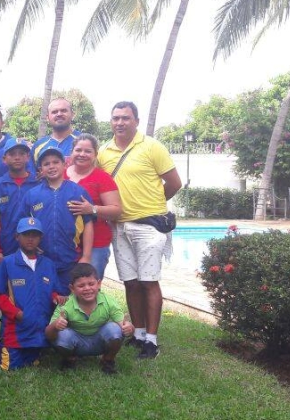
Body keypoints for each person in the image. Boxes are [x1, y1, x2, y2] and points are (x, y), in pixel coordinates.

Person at [97, 101, 182, 359]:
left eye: (125, 118)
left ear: (136, 120)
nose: (120, 122)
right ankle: (139, 334)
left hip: (149, 225)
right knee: (131, 283)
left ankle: (152, 342)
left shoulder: (152, 146)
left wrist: (152, 204)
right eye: (115, 118)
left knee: (149, 281)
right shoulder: (104, 152)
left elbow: (174, 183)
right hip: (119, 226)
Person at [24, 147, 94, 303]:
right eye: (46, 163)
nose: (51, 166)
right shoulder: (32, 195)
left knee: (69, 305)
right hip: (41, 259)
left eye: (56, 162)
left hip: (70, 260)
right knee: (42, 300)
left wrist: (86, 256)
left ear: (65, 164)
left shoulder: (77, 192)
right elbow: (25, 227)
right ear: (40, 169)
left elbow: (88, 224)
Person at [0, 218, 57, 371]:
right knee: (10, 367)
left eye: (35, 234)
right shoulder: (8, 263)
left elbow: (54, 290)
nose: (30, 238)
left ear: (40, 238)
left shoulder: (48, 264)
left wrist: (56, 297)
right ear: (17, 237)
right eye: (26, 234)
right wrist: (16, 313)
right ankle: (2, 346)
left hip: (39, 331)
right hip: (16, 330)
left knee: (32, 363)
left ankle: (34, 351)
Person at [45, 263, 134, 374]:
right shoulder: (65, 305)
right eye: (81, 286)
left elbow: (124, 325)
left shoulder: (108, 301)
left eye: (91, 284)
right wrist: (55, 326)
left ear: (99, 283)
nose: (87, 288)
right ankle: (69, 359)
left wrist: (129, 328)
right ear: (72, 288)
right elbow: (49, 335)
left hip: (99, 341)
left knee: (115, 330)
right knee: (62, 335)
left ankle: (108, 360)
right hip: (76, 343)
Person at [64, 134, 122, 279]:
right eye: (78, 150)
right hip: (65, 243)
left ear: (95, 154)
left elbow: (116, 210)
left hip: (96, 243)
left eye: (88, 151)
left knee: (89, 287)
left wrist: (92, 209)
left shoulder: (102, 178)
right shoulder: (61, 174)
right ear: (72, 152)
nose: (82, 154)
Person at [0, 139, 41, 261]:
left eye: (21, 153)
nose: (17, 157)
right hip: (5, 246)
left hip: (35, 247)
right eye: (12, 154)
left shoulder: (38, 183)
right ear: (4, 159)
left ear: (28, 157)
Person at [31, 98, 82, 166]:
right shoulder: (38, 146)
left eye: (63, 111)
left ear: (72, 114)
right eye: (54, 112)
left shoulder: (85, 141)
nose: (59, 114)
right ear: (47, 117)